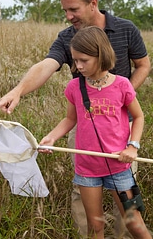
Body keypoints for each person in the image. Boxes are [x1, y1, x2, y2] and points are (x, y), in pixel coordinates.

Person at [0, 0, 151, 237]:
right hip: (86, 131)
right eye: (64, 10)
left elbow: (143, 65)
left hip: (122, 133)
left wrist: (120, 98)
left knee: (130, 214)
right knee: (88, 207)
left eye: (73, 9)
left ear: (93, 3)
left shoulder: (126, 29)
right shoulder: (68, 39)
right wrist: (18, 90)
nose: (68, 16)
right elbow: (48, 65)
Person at [38, 26, 152, 239]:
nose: (78, 66)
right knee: (95, 227)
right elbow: (70, 119)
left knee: (134, 224)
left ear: (101, 55)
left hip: (118, 165)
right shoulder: (74, 87)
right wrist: (52, 137)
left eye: (84, 60)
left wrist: (132, 146)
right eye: (75, 60)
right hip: (87, 169)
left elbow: (139, 117)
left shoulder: (122, 85)